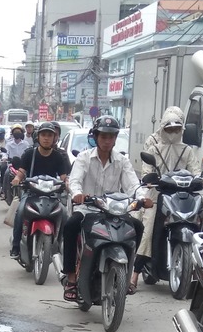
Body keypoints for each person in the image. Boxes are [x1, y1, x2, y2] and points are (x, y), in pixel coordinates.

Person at [61, 115, 148, 300]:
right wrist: (77, 194)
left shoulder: (122, 161)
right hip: (87, 210)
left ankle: (127, 272)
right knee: (70, 226)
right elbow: (75, 180)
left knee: (138, 227)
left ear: (116, 138)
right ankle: (70, 279)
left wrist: (142, 198)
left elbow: (133, 184)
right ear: (96, 137)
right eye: (103, 136)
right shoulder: (84, 158)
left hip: (114, 210)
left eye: (111, 137)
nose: (107, 141)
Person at [136, 107, 195, 277]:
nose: (173, 132)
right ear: (163, 127)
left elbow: (195, 170)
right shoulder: (153, 146)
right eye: (169, 129)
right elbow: (147, 170)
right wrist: (150, 180)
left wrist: (202, 179)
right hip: (157, 195)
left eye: (177, 129)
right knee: (147, 231)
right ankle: (135, 274)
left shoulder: (187, 149)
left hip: (179, 195)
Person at [8, 120, 71, 258]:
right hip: (31, 193)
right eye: (44, 135)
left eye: (50, 135)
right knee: (20, 212)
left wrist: (66, 184)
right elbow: (21, 171)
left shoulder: (58, 157)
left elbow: (63, 177)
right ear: (38, 137)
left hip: (52, 195)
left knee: (65, 214)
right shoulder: (30, 154)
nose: (47, 138)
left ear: (55, 138)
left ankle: (61, 246)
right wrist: (17, 179)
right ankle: (16, 246)